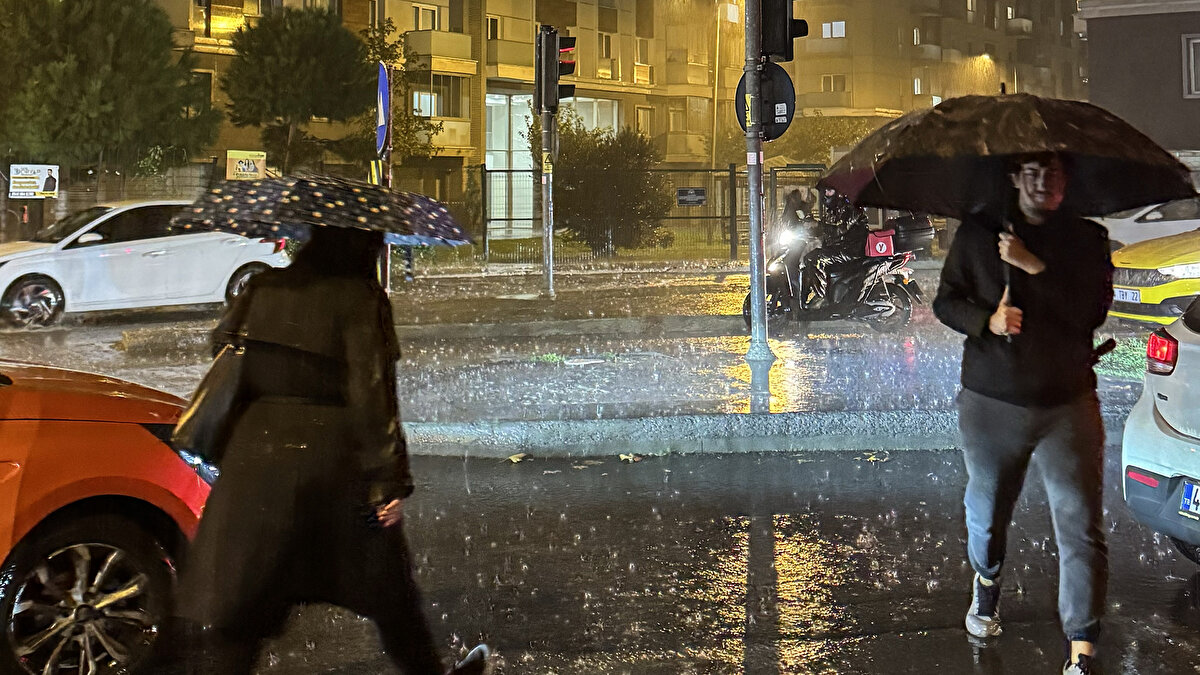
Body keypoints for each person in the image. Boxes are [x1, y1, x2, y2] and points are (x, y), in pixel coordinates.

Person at [170, 226, 488, 675]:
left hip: (256, 461)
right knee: (390, 594)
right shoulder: (360, 299)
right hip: (332, 464)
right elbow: (371, 397)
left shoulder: (264, 287)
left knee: (243, 607)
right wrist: (388, 481)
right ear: (360, 245)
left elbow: (228, 356)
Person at [933, 153, 1113, 675]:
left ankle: (1081, 647)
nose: (1043, 181)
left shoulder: (1085, 239)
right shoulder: (978, 233)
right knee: (987, 516)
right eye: (1031, 171)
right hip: (992, 403)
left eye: (1053, 171)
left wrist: (1037, 266)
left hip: (1068, 403)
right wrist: (986, 320)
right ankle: (986, 582)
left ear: (1066, 179)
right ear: (1015, 177)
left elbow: (1092, 312)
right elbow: (947, 301)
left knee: (1080, 527)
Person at [799, 187, 870, 309]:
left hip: (850, 250)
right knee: (808, 260)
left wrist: (818, 224)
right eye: (825, 191)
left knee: (813, 258)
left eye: (830, 191)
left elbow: (839, 230)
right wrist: (808, 227)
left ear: (839, 193)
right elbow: (825, 230)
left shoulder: (851, 209)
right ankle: (804, 299)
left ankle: (821, 297)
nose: (826, 194)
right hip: (839, 248)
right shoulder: (832, 211)